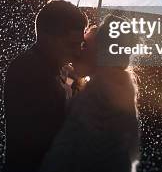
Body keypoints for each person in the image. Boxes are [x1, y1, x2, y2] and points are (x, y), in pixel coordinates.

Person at [39, 15, 141, 172]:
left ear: (102, 51)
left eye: (85, 45)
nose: (78, 51)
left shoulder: (97, 94)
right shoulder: (120, 87)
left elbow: (67, 154)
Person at [3, 0, 88, 172]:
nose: (78, 52)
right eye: (72, 44)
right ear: (49, 38)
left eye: (80, 44)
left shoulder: (59, 70)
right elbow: (45, 136)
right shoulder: (28, 70)